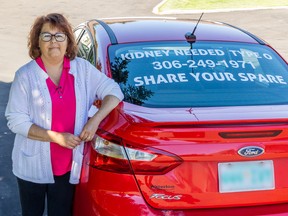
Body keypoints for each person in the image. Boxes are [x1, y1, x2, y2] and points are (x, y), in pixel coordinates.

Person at [5, 13, 124, 216]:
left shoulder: (83, 70)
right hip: (31, 166)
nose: (54, 42)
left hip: (69, 166)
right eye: (47, 36)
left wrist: (95, 120)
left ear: (68, 41)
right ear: (38, 42)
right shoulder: (25, 76)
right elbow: (16, 120)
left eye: (60, 36)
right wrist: (56, 137)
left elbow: (114, 92)